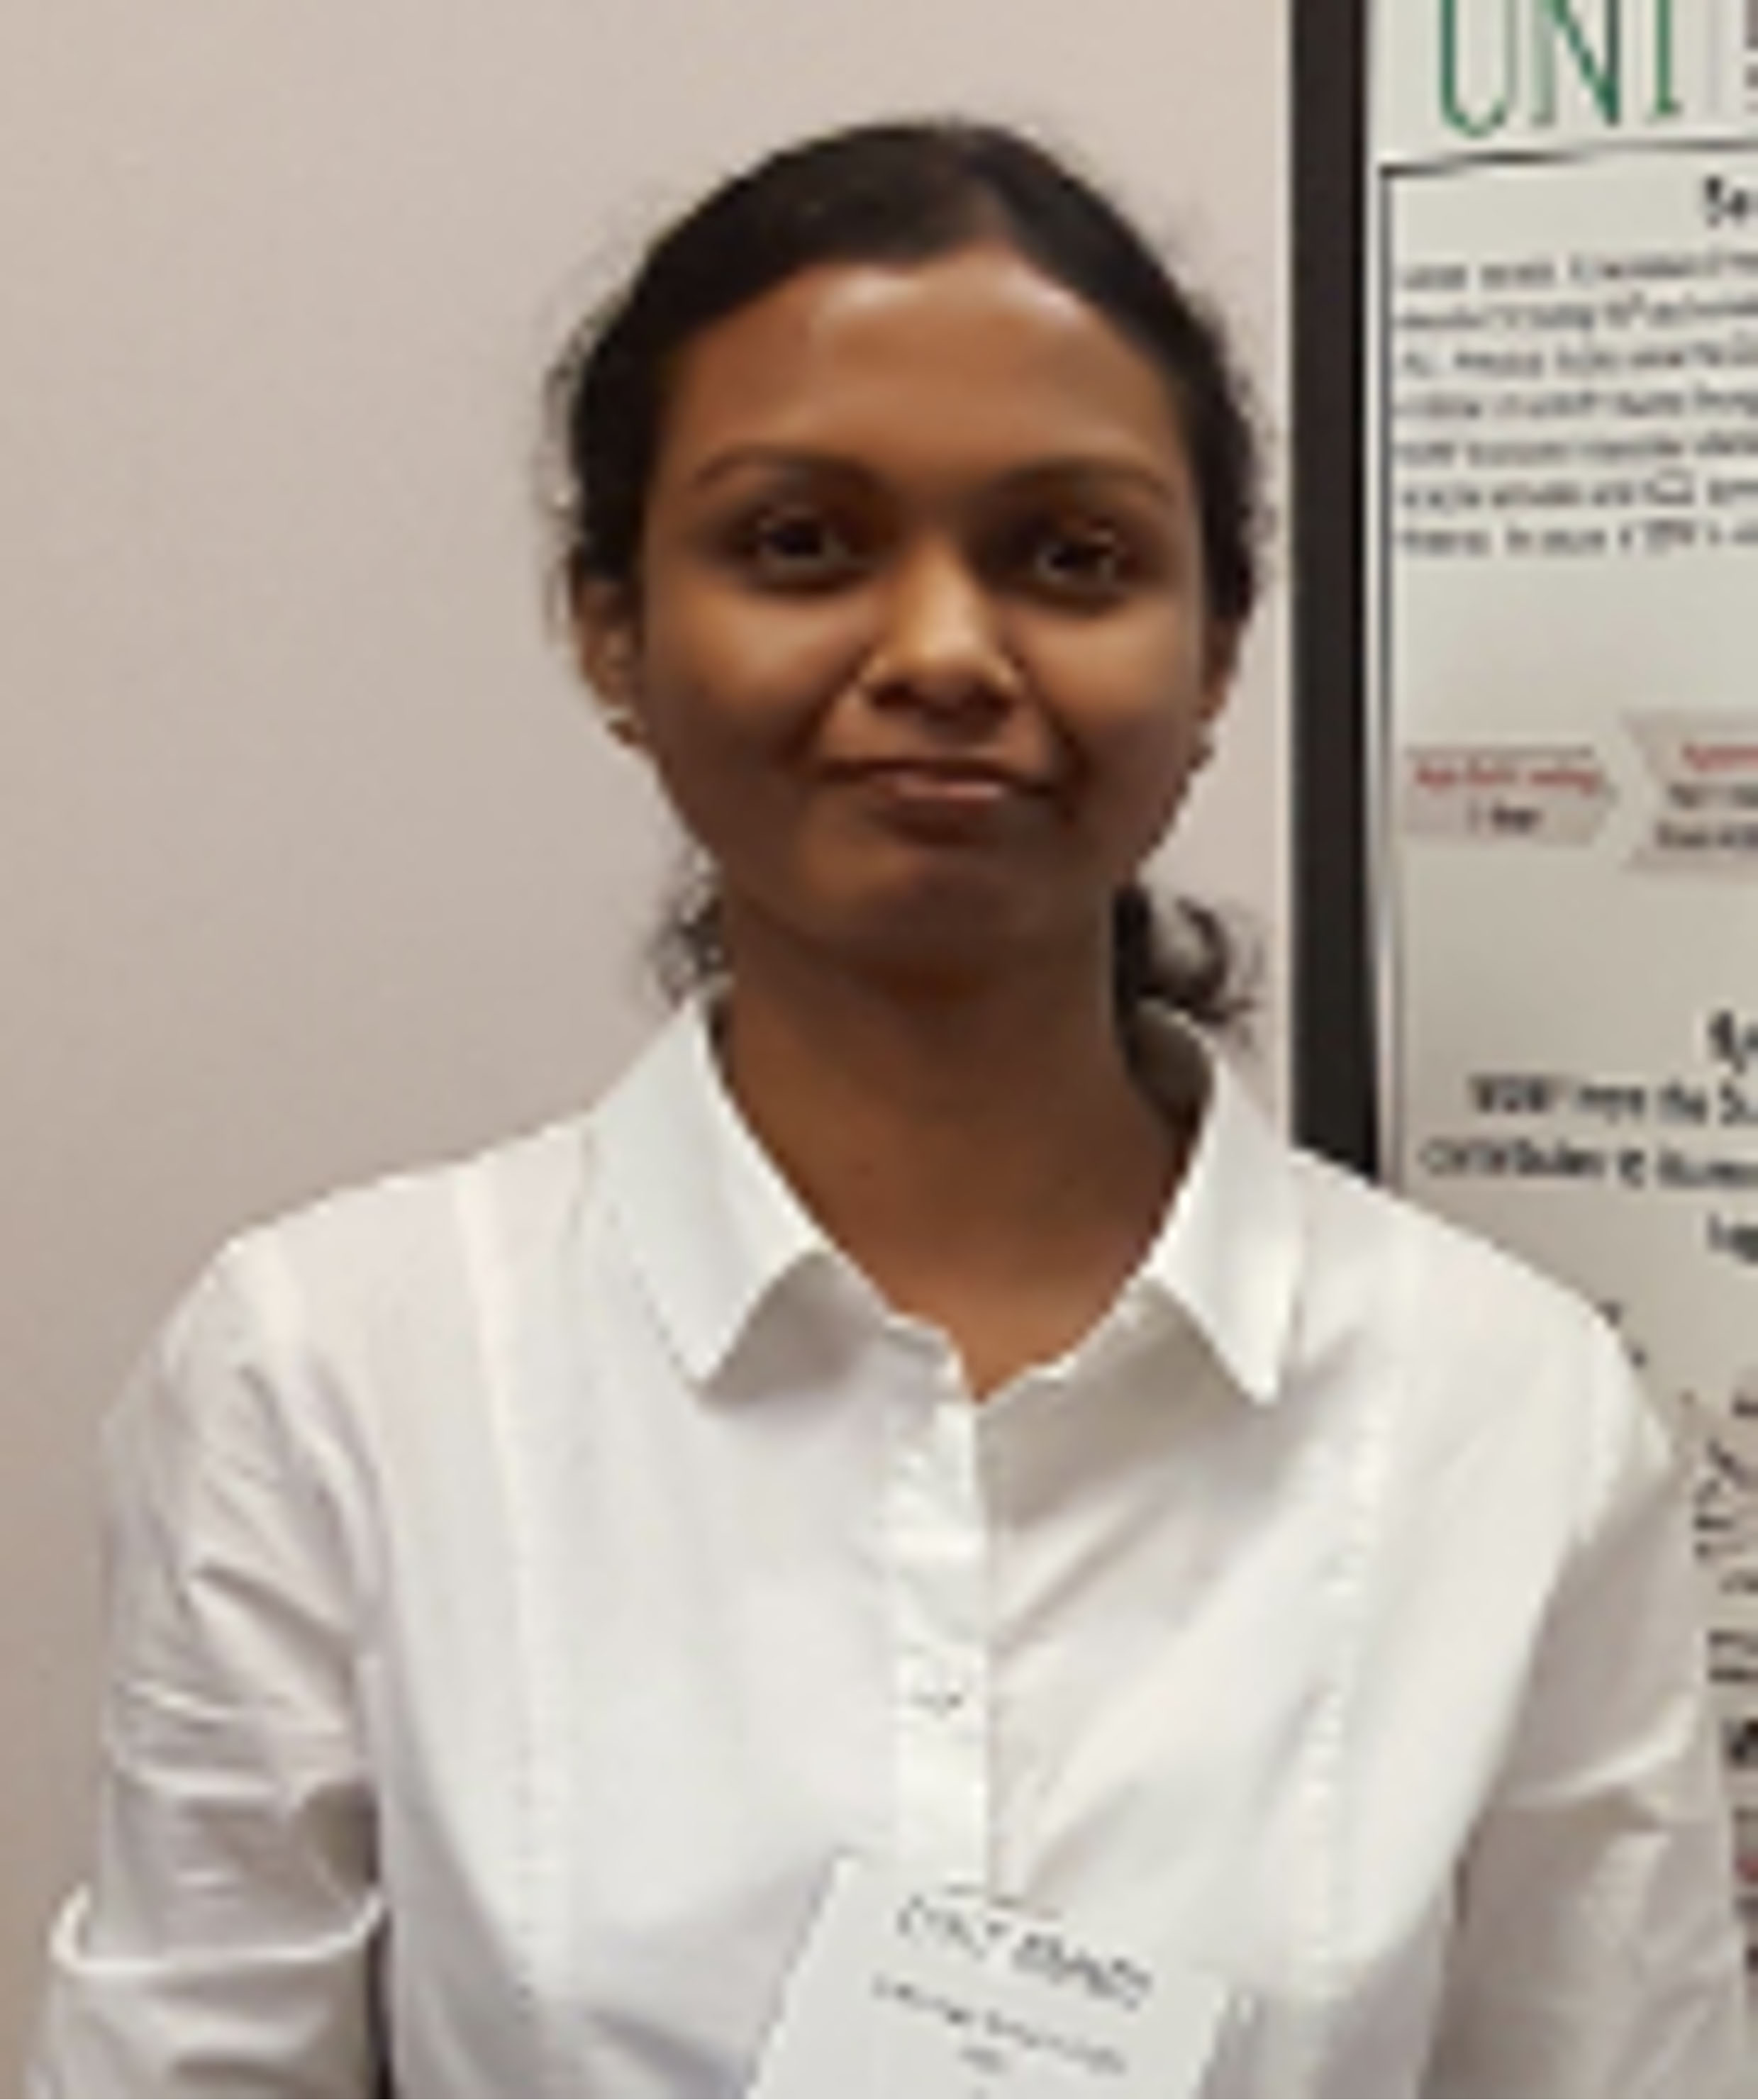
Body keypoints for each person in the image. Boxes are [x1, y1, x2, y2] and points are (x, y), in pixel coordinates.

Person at [29, 118, 1749, 2097]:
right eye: (801, 544)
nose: (943, 652)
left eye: (1071, 557)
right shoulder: (331, 1380)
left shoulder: (1509, 1420)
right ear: (612, 627)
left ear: (1213, 655)